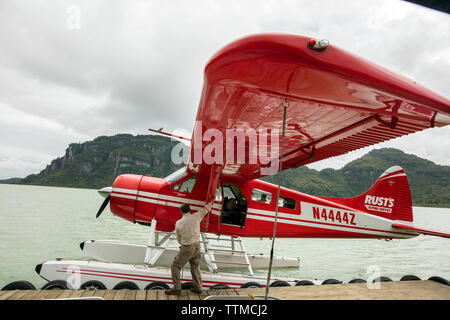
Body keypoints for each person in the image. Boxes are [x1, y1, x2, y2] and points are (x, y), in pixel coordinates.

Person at [165, 200, 214, 295]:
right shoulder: (196, 216)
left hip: (187, 247)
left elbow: (178, 237)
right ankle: (198, 288)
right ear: (189, 210)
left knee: (175, 266)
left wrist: (182, 244)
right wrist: (211, 201)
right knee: (195, 266)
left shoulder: (179, 223)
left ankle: (177, 289)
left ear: (181, 211)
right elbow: (205, 209)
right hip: (197, 245)